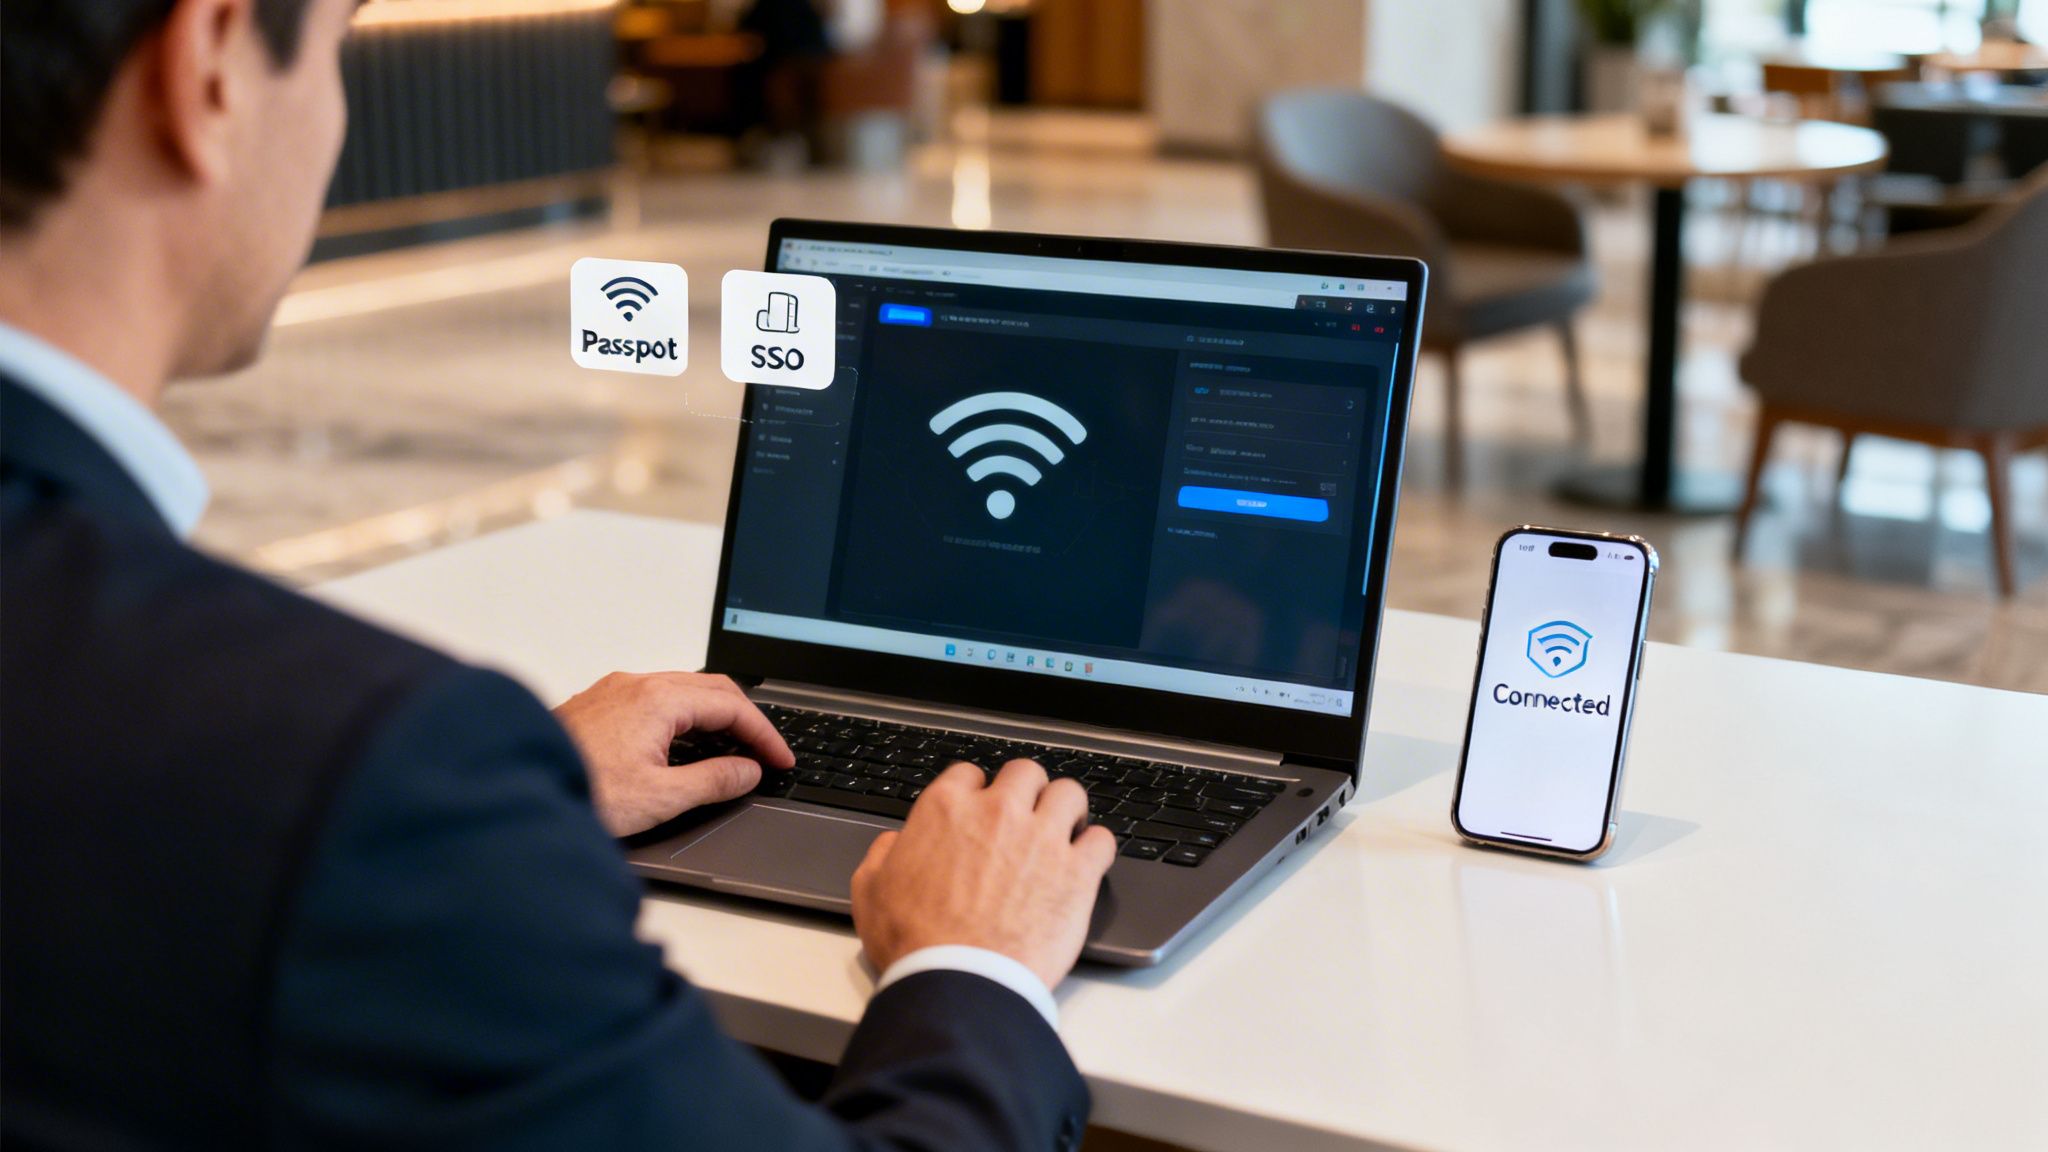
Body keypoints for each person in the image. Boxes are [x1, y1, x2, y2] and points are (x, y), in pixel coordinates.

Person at [0, 1, 1116, 1147]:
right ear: (210, 68)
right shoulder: (363, 770)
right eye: (337, 50)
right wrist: (972, 962)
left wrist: (511, 806)